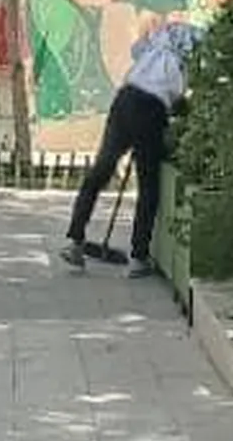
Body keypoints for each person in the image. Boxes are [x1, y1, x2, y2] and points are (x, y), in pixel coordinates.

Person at [61, 20, 203, 277]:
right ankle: (138, 257)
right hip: (151, 110)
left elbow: (138, 64)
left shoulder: (155, 47)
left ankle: (75, 240)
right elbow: (178, 101)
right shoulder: (183, 58)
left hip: (125, 100)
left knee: (101, 171)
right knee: (148, 185)